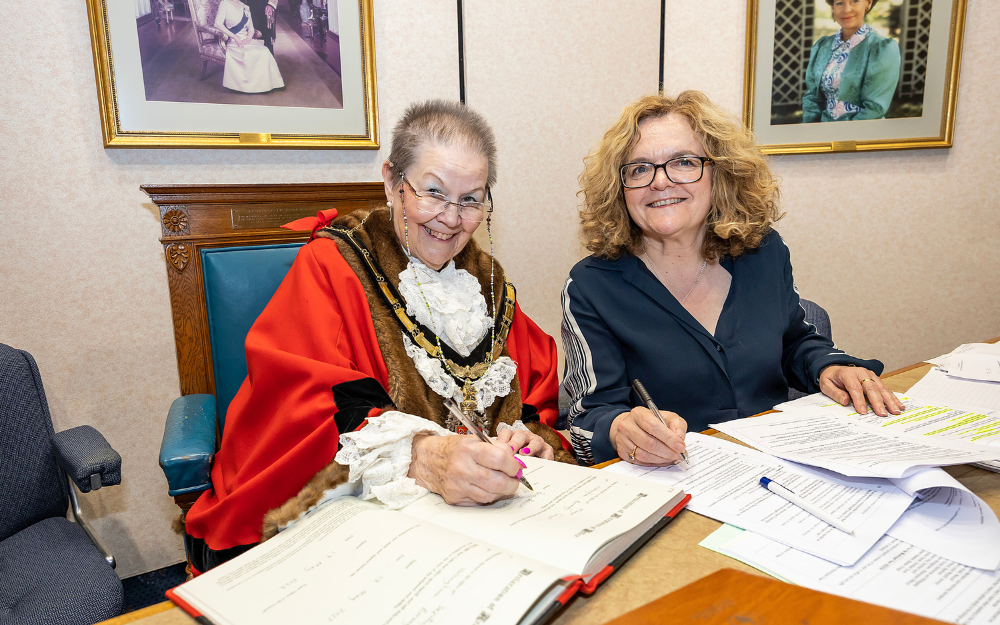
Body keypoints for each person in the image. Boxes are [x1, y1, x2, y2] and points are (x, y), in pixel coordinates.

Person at [183, 101, 572, 573]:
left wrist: (528, 439)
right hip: (362, 511)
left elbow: (533, 390)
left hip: (479, 517)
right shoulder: (331, 266)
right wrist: (418, 454)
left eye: (471, 199)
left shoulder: (486, 283)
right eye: (433, 192)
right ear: (391, 182)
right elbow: (307, 401)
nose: (451, 218)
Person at [561, 91, 903, 467]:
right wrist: (619, 428)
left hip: (783, 463)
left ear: (719, 174)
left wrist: (830, 367)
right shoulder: (591, 287)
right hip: (679, 478)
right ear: (620, 189)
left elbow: (794, 341)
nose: (660, 182)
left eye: (684, 162)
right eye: (639, 169)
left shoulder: (763, 252)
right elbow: (587, 419)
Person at [802, 0, 901, 123]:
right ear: (833, 7)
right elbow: (813, 97)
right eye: (839, 3)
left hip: (862, 134)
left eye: (854, 1)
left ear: (868, 3)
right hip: (823, 133)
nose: (847, 9)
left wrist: (843, 135)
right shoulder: (822, 46)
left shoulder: (881, 48)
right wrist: (810, 130)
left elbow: (874, 108)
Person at [214, 0, 284, 94]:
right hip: (235, 37)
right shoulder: (225, 3)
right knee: (247, 54)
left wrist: (271, 4)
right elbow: (218, 23)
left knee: (264, 49)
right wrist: (235, 38)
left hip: (260, 5)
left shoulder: (245, 7)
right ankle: (246, 84)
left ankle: (266, 82)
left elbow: (250, 27)